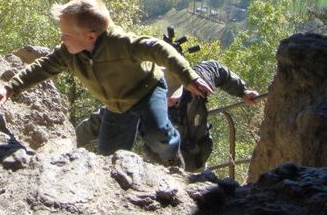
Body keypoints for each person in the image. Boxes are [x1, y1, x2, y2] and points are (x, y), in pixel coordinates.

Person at [0, 0, 213, 166]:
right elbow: (43, 67)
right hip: (116, 106)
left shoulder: (121, 44)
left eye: (65, 34)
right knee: (109, 158)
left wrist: (188, 77)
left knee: (159, 137)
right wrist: (10, 88)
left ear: (90, 36)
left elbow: (159, 49)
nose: (61, 39)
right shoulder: (68, 53)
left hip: (146, 91)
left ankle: (172, 157)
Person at [75, 59, 259, 172]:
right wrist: (70, 141)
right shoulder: (137, 99)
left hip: (197, 157)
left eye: (173, 96)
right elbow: (100, 120)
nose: (169, 102)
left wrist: (243, 91)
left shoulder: (197, 81)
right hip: (162, 169)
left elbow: (218, 70)